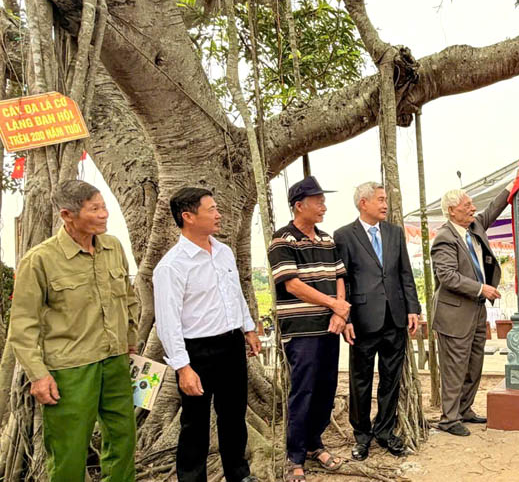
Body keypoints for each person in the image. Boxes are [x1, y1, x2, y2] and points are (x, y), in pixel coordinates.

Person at [8, 180, 139, 482]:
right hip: (70, 369)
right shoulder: (40, 260)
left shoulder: (113, 247)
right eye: (95, 209)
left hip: (115, 361)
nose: (105, 214)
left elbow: (129, 298)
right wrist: (39, 375)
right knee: (68, 449)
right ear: (67, 215)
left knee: (123, 439)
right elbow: (22, 325)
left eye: (104, 206)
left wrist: (130, 340)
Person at [153, 187, 261, 482]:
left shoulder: (223, 252)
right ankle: (191, 478)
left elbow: (235, 294)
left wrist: (248, 328)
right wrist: (183, 367)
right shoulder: (172, 266)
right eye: (211, 209)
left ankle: (239, 474)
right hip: (197, 351)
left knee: (234, 417)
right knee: (195, 424)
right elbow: (168, 321)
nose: (218, 215)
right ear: (188, 217)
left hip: (231, 344)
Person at [267, 176, 350, 481]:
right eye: (318, 202)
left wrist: (340, 312)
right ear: (299, 206)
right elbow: (292, 284)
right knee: (303, 390)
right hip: (301, 329)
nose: (323, 207)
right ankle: (295, 456)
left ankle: (315, 443)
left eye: (323, 201)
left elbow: (340, 276)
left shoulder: (327, 239)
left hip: (329, 326)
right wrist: (334, 305)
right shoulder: (282, 240)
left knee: (327, 389)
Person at [334, 182, 421, 460]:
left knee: (390, 380)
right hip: (361, 321)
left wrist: (412, 309)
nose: (385, 204)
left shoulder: (395, 233)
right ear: (364, 203)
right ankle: (361, 436)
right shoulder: (344, 235)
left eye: (385, 199)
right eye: (380, 200)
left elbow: (404, 272)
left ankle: (385, 432)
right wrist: (344, 317)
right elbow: (342, 280)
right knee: (360, 381)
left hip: (395, 318)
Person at [431, 184, 511, 436]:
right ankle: (449, 419)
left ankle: (465, 410)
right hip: (454, 314)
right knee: (455, 367)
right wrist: (481, 289)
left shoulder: (473, 227)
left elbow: (492, 210)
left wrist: (514, 183)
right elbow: (447, 276)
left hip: (476, 312)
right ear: (453, 211)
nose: (473, 209)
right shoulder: (444, 237)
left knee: (474, 365)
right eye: (467, 206)